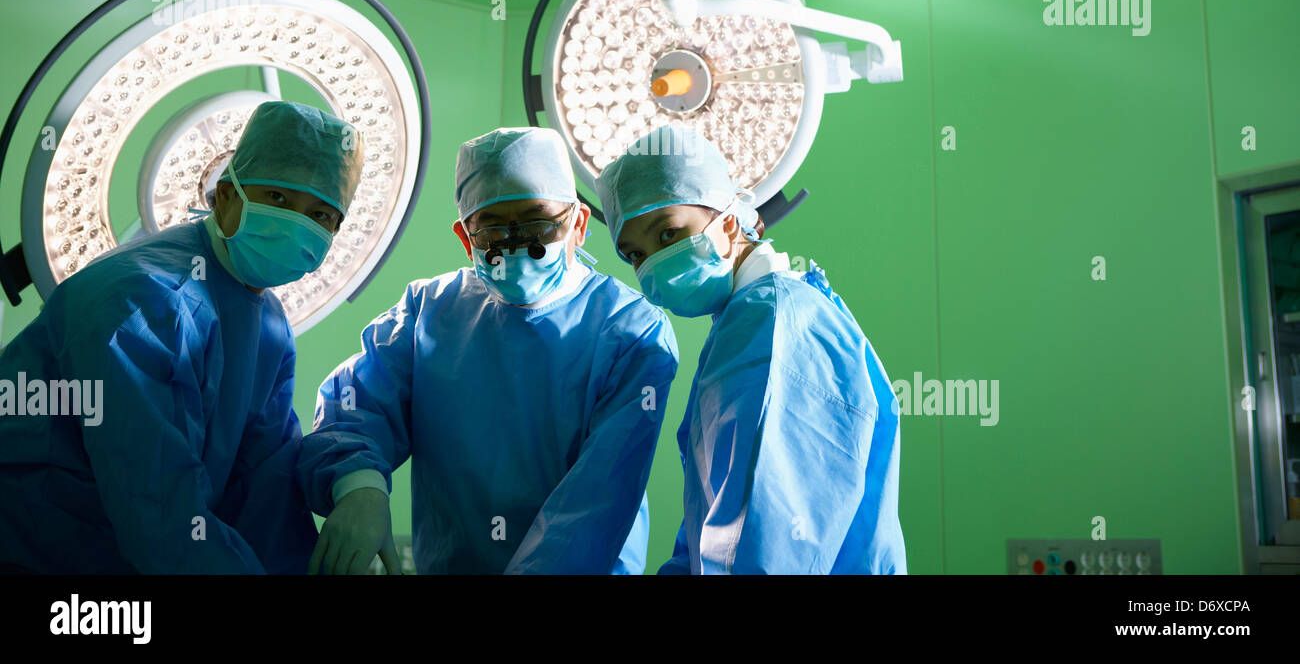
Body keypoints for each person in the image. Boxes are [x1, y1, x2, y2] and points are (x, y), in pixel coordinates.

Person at [0, 100, 363, 573]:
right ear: (226, 195)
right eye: (278, 198)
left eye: (321, 215)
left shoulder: (268, 324)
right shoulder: (142, 299)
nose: (298, 222)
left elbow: (266, 489)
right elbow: (156, 501)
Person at [298, 126, 679, 574]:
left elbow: (598, 498)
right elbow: (355, 407)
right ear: (465, 238)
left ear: (577, 224)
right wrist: (359, 487)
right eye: (494, 229)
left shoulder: (631, 332)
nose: (517, 245)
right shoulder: (429, 312)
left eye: (538, 222)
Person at [595, 124, 906, 574]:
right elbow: (714, 520)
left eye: (666, 235)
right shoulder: (748, 322)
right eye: (636, 255)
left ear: (726, 219)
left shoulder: (773, 326)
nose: (653, 263)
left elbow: (763, 538)